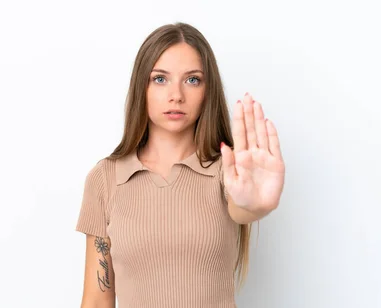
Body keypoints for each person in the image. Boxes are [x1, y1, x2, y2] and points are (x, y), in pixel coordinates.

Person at [74, 22, 286, 308]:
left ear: (207, 91)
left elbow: (244, 207)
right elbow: (98, 300)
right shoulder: (105, 179)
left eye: (192, 80)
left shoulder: (228, 171)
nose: (176, 95)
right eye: (160, 79)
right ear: (142, 86)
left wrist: (259, 204)